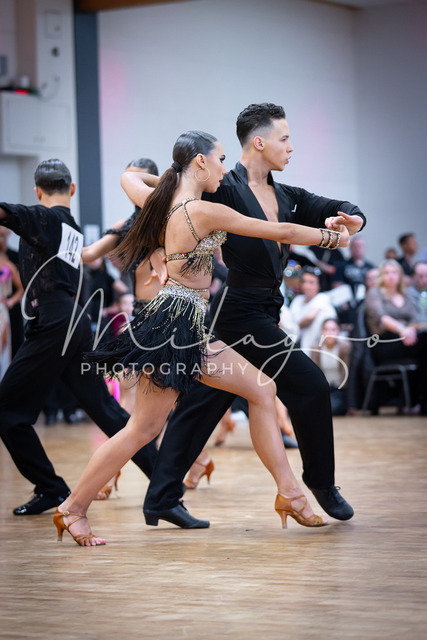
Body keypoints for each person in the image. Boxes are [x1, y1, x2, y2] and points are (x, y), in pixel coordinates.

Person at [52, 128, 352, 546]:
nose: (225, 169)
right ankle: (72, 508)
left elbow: (128, 177)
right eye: (221, 159)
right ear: (200, 161)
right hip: (174, 327)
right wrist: (333, 238)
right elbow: (280, 231)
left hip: (186, 323)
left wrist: (171, 177)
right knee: (141, 429)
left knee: (261, 390)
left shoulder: (164, 200)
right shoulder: (202, 211)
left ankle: (291, 493)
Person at [139, 103, 364, 529]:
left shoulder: (288, 196)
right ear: (258, 142)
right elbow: (170, 191)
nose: (291, 147)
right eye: (285, 139)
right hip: (240, 313)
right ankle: (321, 483)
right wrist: (166, 189)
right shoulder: (223, 186)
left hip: (258, 311)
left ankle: (161, 498)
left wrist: (353, 218)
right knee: (310, 384)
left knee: (202, 404)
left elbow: (334, 205)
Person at [0, 159, 157, 515]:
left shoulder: (43, 217)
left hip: (55, 321)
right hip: (74, 322)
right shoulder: (70, 227)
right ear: (72, 189)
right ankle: (165, 479)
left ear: (37, 192)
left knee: (8, 412)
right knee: (104, 408)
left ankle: (51, 488)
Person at [364, 259, 427, 413]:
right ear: (381, 275)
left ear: (400, 275)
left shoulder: (406, 296)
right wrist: (402, 330)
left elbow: (414, 320)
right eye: (386, 273)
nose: (391, 276)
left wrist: (410, 332)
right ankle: (419, 403)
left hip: (408, 339)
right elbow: (382, 318)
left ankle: (419, 402)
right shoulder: (375, 293)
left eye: (394, 272)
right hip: (385, 342)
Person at [288, 266, 337, 355]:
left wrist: (292, 328)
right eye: (303, 281)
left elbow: (309, 318)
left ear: (319, 285)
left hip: (318, 348)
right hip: (296, 344)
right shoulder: (297, 300)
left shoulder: (322, 297)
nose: (306, 286)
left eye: (311, 282)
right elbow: (289, 321)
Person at [309, 318, 351, 416]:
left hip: (339, 389)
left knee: (333, 408)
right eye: (326, 329)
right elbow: (314, 374)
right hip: (323, 390)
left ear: (338, 331)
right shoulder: (316, 348)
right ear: (322, 332)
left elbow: (348, 373)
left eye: (333, 329)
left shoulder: (345, 347)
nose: (330, 333)